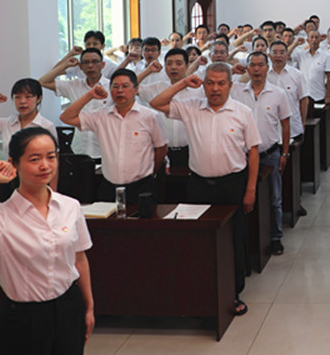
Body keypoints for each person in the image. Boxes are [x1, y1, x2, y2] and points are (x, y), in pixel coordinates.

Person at [0, 128, 94, 353]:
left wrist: (89, 307)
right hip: (23, 318)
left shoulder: (70, 206)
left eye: (51, 157)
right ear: (14, 163)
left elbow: (79, 258)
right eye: (34, 159)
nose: (45, 166)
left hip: (69, 307)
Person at [148, 63, 260, 317]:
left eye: (221, 83)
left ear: (230, 85)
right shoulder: (191, 108)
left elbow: (253, 152)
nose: (215, 89)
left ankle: (233, 292)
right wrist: (183, 82)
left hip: (233, 184)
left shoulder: (242, 112)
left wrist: (250, 189)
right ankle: (203, 290)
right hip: (199, 185)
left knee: (234, 238)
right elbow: (156, 103)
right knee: (200, 238)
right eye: (210, 83)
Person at [60, 68, 167, 204]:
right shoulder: (101, 116)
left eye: (125, 86)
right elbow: (66, 117)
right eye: (115, 87)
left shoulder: (150, 116)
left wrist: (151, 171)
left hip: (142, 187)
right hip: (109, 187)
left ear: (136, 90)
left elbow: (161, 148)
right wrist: (90, 95)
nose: (120, 91)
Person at [232, 51, 291, 255]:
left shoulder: (278, 93)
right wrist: (232, 71)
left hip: (269, 154)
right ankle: (247, 240)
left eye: (260, 65)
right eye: (252, 65)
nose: (256, 69)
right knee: (244, 198)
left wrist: (285, 153)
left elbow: (285, 125)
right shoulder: (237, 91)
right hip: (242, 156)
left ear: (267, 68)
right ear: (247, 68)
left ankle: (275, 237)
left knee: (274, 198)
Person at [39, 47, 111, 159]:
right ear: (80, 67)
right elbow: (42, 82)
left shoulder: (112, 87)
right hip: (80, 149)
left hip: (106, 149)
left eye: (95, 61)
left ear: (102, 65)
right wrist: (65, 65)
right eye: (86, 62)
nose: (90, 66)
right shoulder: (74, 85)